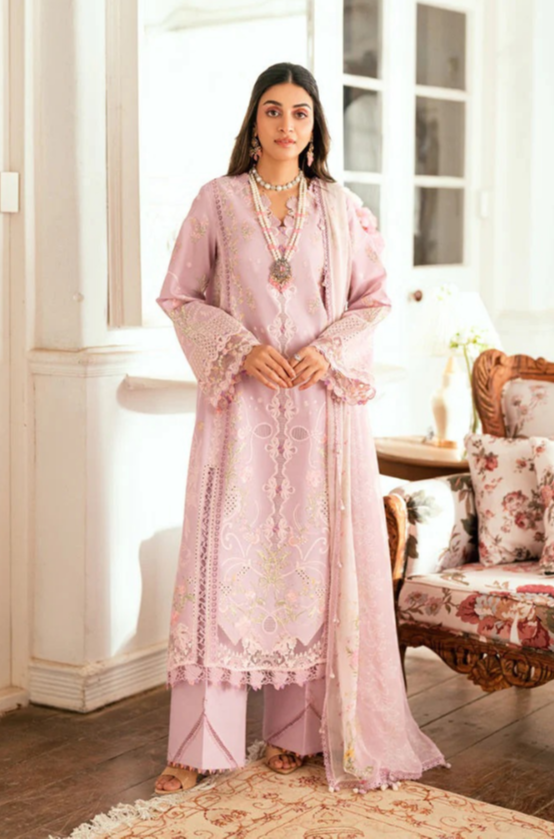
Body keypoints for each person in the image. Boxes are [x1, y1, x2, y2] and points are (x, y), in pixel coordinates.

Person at [154, 62, 448, 795]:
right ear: (253, 122)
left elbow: (374, 300)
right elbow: (180, 295)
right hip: (241, 414)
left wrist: (327, 350)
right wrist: (241, 347)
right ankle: (198, 746)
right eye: (274, 111)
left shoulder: (340, 208)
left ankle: (295, 733)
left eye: (302, 114)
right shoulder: (217, 203)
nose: (288, 125)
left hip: (318, 414)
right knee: (225, 563)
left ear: (315, 128)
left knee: (310, 567)